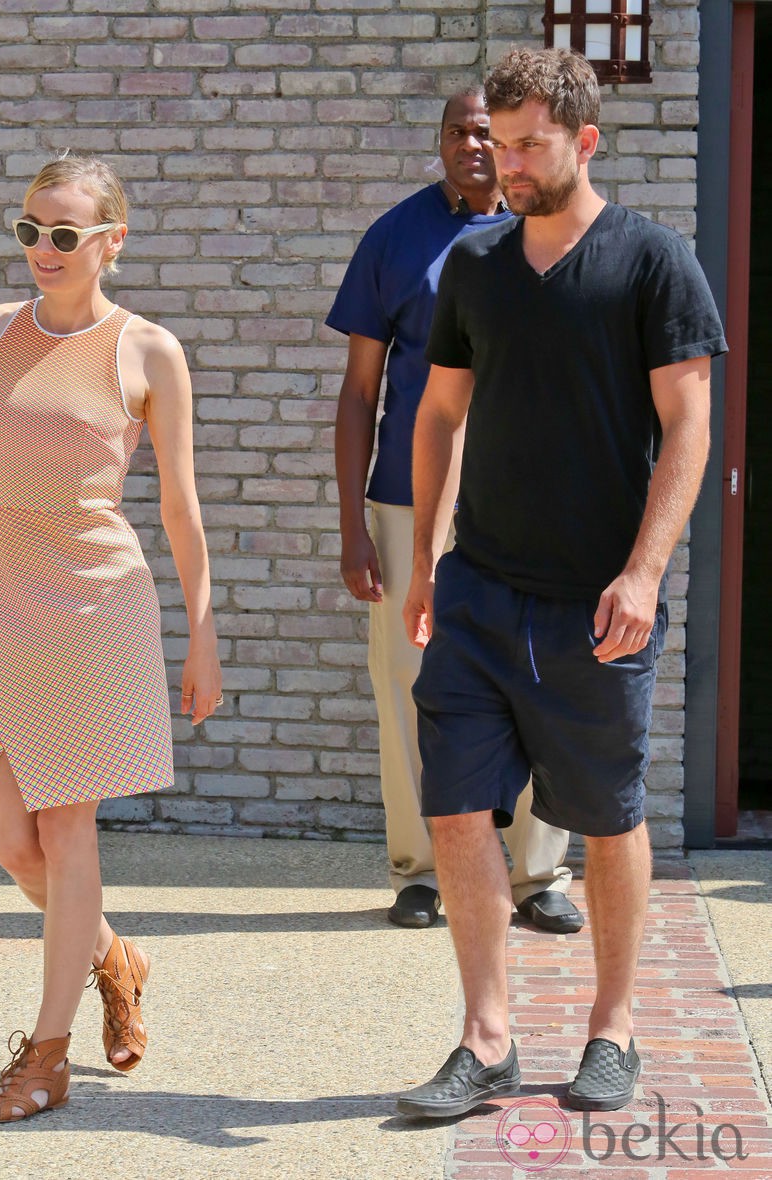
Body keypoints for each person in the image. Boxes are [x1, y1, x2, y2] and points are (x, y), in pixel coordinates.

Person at [396, 48, 727, 1118]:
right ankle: (484, 1038)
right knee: (455, 813)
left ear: (584, 140)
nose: (508, 164)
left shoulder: (652, 261)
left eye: (529, 143)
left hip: (596, 601)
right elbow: (439, 412)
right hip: (479, 589)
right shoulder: (477, 263)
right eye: (497, 144)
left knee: (604, 817)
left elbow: (688, 426)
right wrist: (425, 563)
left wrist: (641, 573)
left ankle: (610, 1029)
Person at [0, 155, 222, 1124]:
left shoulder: (149, 351)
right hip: (6, 604)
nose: (42, 250)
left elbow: (183, 510)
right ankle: (116, 959)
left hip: (96, 606)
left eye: (64, 234)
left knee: (67, 831)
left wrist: (203, 634)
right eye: (29, 230)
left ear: (112, 242)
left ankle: (46, 1058)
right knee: (14, 847)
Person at [327, 89, 581, 934]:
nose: (475, 145)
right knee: (407, 679)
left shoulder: (548, 229)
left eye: (491, 133)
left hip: (531, 502)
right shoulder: (395, 238)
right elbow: (360, 392)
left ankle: (538, 872)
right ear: (440, 142)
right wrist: (352, 524)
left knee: (543, 676)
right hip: (407, 500)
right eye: (460, 131)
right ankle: (421, 869)